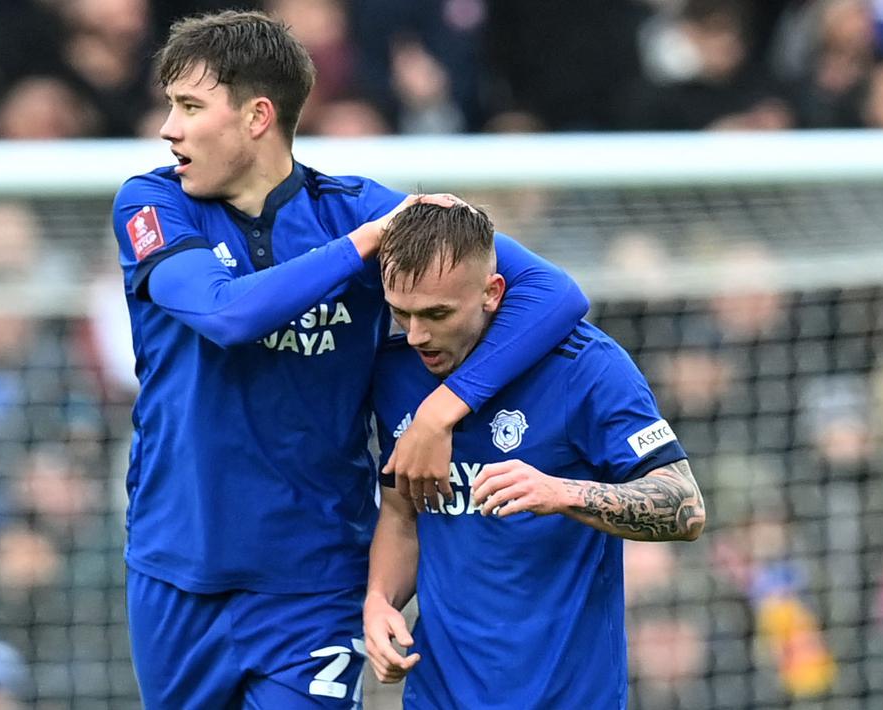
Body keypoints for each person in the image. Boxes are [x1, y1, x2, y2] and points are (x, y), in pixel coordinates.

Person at [111, 11, 588, 707]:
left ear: (257, 117)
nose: (168, 128)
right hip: (176, 570)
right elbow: (224, 314)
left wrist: (443, 411)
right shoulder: (154, 202)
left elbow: (552, 292)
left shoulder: (353, 208)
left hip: (313, 583)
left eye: (189, 106)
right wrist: (361, 247)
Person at [363, 203, 706, 708]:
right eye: (402, 313)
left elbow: (685, 506)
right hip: (439, 694)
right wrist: (380, 600)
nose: (416, 334)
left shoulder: (585, 368)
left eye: (437, 314)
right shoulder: (397, 372)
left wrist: (560, 492)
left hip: (567, 696)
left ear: (492, 292)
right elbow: (401, 513)